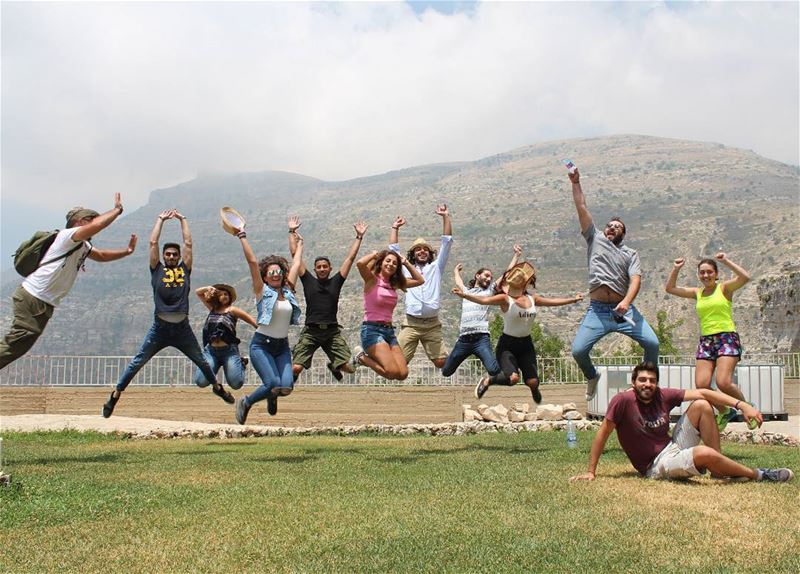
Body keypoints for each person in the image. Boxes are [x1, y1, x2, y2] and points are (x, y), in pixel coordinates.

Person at [570, 361, 793, 483]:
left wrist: (742, 405)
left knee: (701, 404)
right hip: (655, 466)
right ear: (634, 382)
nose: (647, 384)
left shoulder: (662, 395)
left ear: (657, 383)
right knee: (702, 454)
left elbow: (705, 391)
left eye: (652, 381)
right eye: (643, 380)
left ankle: (719, 470)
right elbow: (603, 433)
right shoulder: (622, 401)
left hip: (673, 446)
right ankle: (759, 474)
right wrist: (591, 471)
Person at [103, 209, 232, 418]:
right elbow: (152, 243)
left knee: (201, 360)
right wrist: (160, 220)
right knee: (138, 361)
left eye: (174, 254)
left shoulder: (184, 270)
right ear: (164, 257)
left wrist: (183, 219)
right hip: (160, 328)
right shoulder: (157, 270)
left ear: (179, 257)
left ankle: (218, 388)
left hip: (182, 328)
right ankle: (114, 396)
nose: (171, 256)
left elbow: (189, 244)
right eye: (168, 254)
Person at [1, 194, 135, 369]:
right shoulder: (67, 237)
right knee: (19, 340)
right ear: (78, 222)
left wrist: (127, 251)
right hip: (34, 295)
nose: (94, 221)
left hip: (43, 301)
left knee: (20, 343)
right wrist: (117, 210)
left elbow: (101, 255)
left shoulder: (83, 246)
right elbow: (98, 225)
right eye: (90, 219)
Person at [568, 167, 659, 401]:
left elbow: (636, 280)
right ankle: (592, 375)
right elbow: (582, 208)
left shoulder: (630, 254)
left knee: (652, 343)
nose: (611, 228)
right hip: (597, 311)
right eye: (609, 225)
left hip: (623, 309)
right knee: (578, 351)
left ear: (623, 234)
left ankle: (648, 385)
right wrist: (576, 182)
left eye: (617, 227)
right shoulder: (594, 238)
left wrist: (626, 303)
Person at [453, 255, 583, 403]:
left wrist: (573, 299)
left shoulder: (533, 299)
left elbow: (553, 302)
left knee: (533, 382)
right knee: (513, 378)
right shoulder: (504, 299)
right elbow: (483, 300)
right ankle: (488, 381)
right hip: (507, 345)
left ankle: (534, 388)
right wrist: (465, 295)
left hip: (526, 345)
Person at [665, 253, 754, 430]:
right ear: (699, 275)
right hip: (706, 341)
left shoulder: (724, 289)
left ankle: (747, 408)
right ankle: (724, 411)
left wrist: (726, 260)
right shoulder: (697, 293)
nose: (706, 276)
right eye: (702, 273)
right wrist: (676, 268)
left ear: (716, 274)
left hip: (726, 337)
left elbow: (746, 277)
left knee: (723, 382)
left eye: (710, 272)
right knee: (702, 385)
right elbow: (670, 288)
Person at [233, 225, 303, 424]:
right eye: (271, 272)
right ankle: (246, 402)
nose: (275, 274)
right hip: (261, 345)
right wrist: (242, 236)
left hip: (282, 346)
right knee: (272, 382)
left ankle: (272, 395)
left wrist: (301, 244)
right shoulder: (262, 291)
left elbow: (296, 263)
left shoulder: (288, 291)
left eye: (278, 272)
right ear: (265, 277)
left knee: (286, 387)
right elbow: (253, 262)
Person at [287, 215, 368, 381]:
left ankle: (333, 365)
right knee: (296, 368)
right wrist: (292, 231)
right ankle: (283, 387)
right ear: (315, 270)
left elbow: (350, 258)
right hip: (311, 331)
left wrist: (359, 236)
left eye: (325, 266)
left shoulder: (336, 282)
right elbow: (295, 255)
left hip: (332, 332)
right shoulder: (308, 281)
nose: (322, 269)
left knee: (350, 368)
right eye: (319, 267)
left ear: (330, 268)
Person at [440, 244, 524, 379]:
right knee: (446, 371)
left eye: (490, 277)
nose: (489, 278)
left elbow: (506, 274)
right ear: (477, 275)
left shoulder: (489, 291)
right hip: (464, 340)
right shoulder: (467, 291)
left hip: (481, 339)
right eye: (486, 275)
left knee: (493, 370)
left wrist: (516, 256)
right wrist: (456, 271)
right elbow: (458, 282)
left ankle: (510, 365)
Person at [388, 205, 452, 369]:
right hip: (411, 322)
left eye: (425, 249)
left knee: (441, 362)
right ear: (413, 254)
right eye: (418, 249)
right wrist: (395, 228)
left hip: (432, 324)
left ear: (430, 254)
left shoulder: (437, 267)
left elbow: (447, 242)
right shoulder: (405, 268)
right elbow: (393, 250)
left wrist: (445, 216)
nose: (422, 251)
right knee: (399, 362)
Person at [351, 249, 424, 380]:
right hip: (372, 331)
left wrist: (406, 263)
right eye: (388, 261)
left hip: (389, 332)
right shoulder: (371, 279)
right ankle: (361, 357)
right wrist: (374, 255)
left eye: (395, 263)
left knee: (402, 374)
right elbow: (360, 264)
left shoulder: (394, 284)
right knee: (391, 372)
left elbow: (420, 280)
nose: (391, 264)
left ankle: (365, 358)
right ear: (381, 263)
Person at [192, 284, 257, 392]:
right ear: (216, 297)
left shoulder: (233, 310)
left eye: (226, 294)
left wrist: (263, 330)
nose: (224, 296)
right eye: (221, 294)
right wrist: (208, 288)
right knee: (201, 381)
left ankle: (240, 363)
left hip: (229, 351)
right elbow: (198, 292)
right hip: (211, 351)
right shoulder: (212, 309)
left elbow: (252, 321)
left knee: (236, 384)